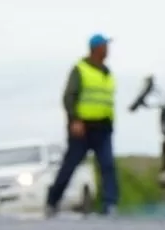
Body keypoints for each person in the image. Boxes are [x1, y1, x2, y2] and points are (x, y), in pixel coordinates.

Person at [45, 34, 119, 217]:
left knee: (107, 165)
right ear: (96, 49)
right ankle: (52, 201)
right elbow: (69, 97)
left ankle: (110, 204)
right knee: (70, 165)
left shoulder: (107, 73)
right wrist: (75, 120)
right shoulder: (80, 69)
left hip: (103, 128)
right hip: (83, 128)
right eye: (105, 46)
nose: (107, 50)